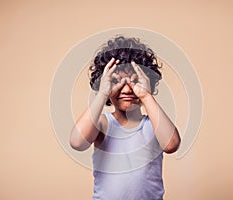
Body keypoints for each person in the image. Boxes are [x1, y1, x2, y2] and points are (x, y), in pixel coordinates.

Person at [70, 36, 181, 200]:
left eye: (135, 81)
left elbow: (171, 145)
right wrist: (102, 93)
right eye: (117, 81)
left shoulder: (154, 125)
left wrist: (145, 95)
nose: (127, 89)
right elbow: (77, 142)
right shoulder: (103, 123)